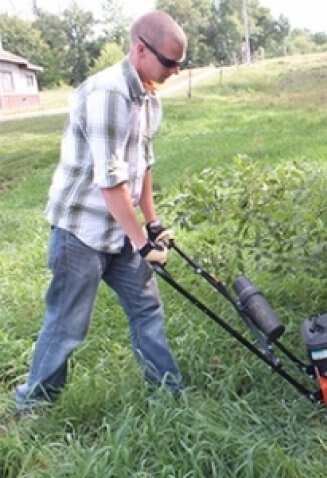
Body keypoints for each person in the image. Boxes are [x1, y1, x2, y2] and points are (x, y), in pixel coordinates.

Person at [15, 11, 187, 411]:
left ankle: (170, 394)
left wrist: (152, 221)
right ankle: (32, 405)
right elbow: (110, 183)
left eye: (181, 63)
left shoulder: (148, 97)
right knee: (67, 325)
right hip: (81, 233)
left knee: (147, 309)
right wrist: (143, 243)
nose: (175, 71)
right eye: (169, 62)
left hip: (121, 232)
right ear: (140, 49)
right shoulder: (108, 93)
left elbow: (142, 165)